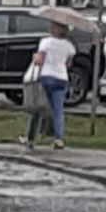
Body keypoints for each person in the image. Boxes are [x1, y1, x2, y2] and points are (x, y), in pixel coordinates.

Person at [19, 21, 76, 150]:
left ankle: (30, 138)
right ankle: (58, 139)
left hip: (46, 77)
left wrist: (35, 58)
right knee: (58, 111)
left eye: (53, 26)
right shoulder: (70, 46)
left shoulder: (45, 42)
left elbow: (40, 60)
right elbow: (68, 64)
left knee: (37, 108)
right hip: (61, 78)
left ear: (58, 29)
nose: (50, 28)